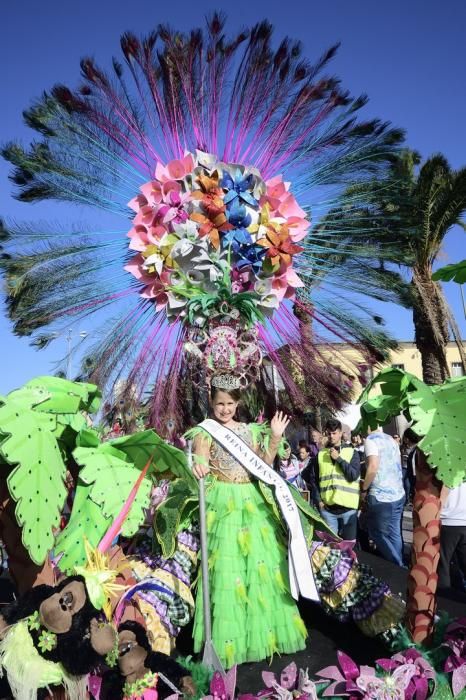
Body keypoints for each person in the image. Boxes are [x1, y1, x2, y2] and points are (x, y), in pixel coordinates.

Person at [190, 382, 308, 667]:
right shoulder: (204, 432)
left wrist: (276, 437)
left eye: (230, 404)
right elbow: (198, 462)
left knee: (261, 570)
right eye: (220, 403)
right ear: (211, 400)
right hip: (223, 506)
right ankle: (231, 643)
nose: (225, 409)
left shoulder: (248, 430)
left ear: (238, 403)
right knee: (229, 575)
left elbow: (264, 465)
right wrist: (198, 466)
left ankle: (265, 638)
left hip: (251, 503)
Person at [360, 427, 405, 567]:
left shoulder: (370, 440)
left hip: (381, 496)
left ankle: (398, 565)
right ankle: (399, 567)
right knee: (394, 533)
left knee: (377, 533)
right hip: (398, 493)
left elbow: (373, 467)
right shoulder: (391, 439)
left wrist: (364, 489)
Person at [314, 419, 361, 540]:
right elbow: (313, 480)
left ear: (340, 433)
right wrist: (319, 501)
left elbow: (353, 475)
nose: (331, 436)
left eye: (334, 433)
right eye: (329, 433)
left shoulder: (352, 452)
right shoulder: (320, 454)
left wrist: (339, 459)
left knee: (349, 546)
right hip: (328, 510)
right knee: (331, 547)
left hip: (348, 509)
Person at [438, 482, 466, 592]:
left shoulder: (449, 465)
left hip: (449, 518)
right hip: (463, 518)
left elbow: (445, 487)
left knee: (443, 562)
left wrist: (437, 512)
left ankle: (445, 597)